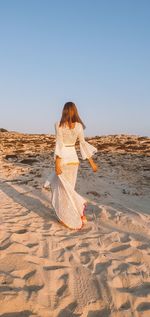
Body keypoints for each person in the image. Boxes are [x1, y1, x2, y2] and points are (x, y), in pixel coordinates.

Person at [47, 101, 98, 230]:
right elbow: (83, 144)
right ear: (75, 111)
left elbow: (59, 145)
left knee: (64, 191)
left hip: (63, 161)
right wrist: (92, 163)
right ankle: (80, 214)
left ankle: (71, 215)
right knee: (69, 190)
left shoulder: (58, 125)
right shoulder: (79, 126)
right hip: (74, 162)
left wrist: (57, 164)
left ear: (64, 111)